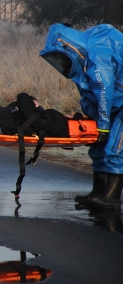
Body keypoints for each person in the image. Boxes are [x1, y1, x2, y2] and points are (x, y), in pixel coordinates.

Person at [41, 23, 123, 208]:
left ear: (68, 46)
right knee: (97, 146)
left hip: (119, 103)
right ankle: (98, 192)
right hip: (116, 101)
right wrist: (90, 123)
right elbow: (89, 95)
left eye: (60, 59)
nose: (60, 65)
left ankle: (112, 197)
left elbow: (104, 90)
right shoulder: (83, 60)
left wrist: (102, 124)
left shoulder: (97, 53)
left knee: (115, 147)